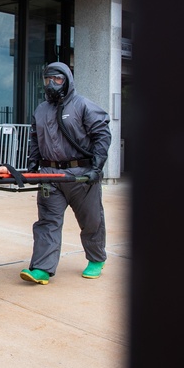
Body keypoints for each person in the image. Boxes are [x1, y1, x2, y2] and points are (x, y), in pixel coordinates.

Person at [20, 62, 111, 285]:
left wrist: (96, 168)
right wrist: (32, 166)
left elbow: (102, 135)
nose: (52, 84)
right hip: (50, 176)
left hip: (81, 175)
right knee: (47, 222)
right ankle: (42, 268)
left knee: (91, 221)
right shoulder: (41, 110)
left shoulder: (83, 106)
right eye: (48, 79)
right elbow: (35, 139)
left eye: (57, 80)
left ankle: (96, 259)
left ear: (68, 80)